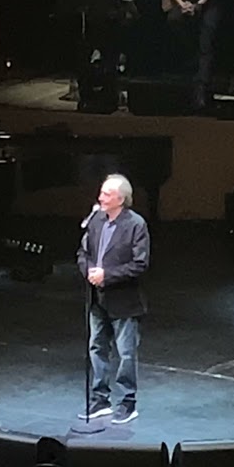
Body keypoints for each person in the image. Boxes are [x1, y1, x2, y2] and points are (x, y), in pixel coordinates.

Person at [76, 174, 151, 424]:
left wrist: (107, 275)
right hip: (97, 299)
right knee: (96, 347)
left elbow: (140, 264)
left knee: (126, 353)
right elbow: (83, 252)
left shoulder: (135, 224)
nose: (100, 198)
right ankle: (100, 400)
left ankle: (128, 402)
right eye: (101, 193)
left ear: (120, 198)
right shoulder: (96, 220)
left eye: (106, 194)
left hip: (124, 301)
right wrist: (88, 271)